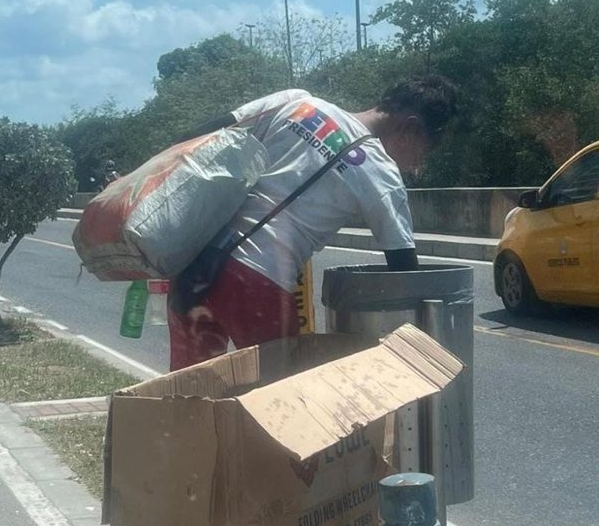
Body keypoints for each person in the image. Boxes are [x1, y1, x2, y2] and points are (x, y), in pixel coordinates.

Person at [168, 75, 458, 371]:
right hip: (258, 285)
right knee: (284, 400)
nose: (415, 165)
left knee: (187, 394)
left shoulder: (297, 101)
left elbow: (198, 136)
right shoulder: (381, 171)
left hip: (195, 265)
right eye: (423, 152)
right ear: (410, 129)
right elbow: (405, 268)